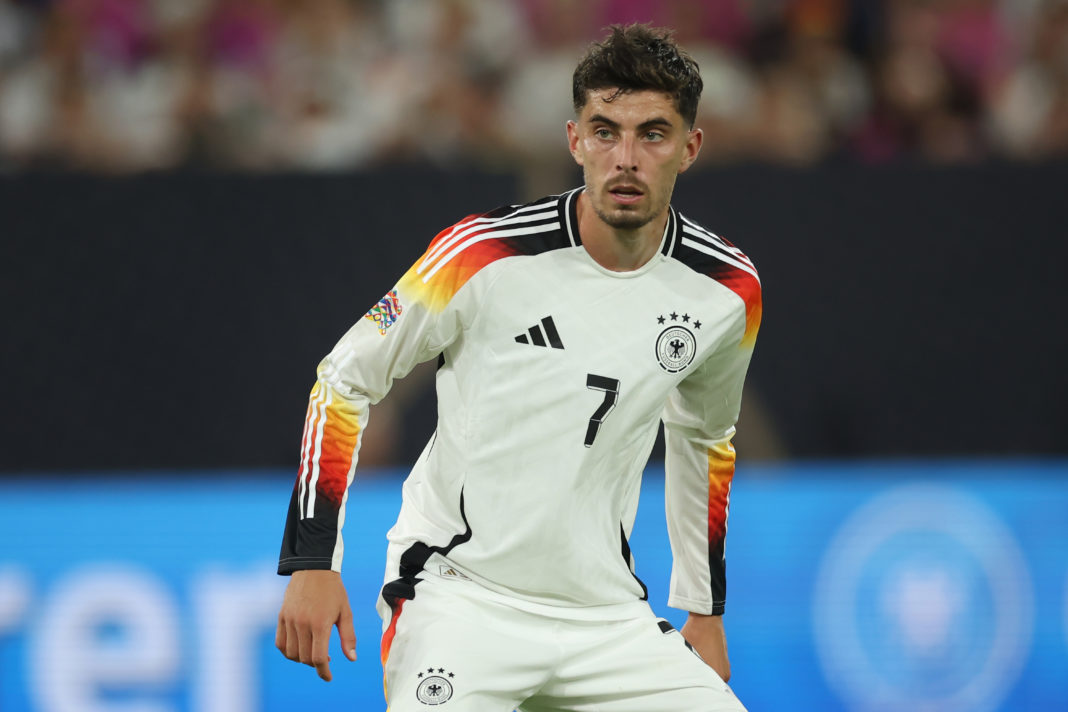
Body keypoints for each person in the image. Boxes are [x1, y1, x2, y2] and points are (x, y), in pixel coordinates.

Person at [275, 23, 760, 712]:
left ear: (690, 147)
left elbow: (705, 437)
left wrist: (703, 611)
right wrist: (312, 560)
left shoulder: (727, 289)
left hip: (607, 621)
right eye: (604, 131)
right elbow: (344, 379)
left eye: (651, 134)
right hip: (459, 600)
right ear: (574, 140)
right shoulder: (484, 253)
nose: (625, 157)